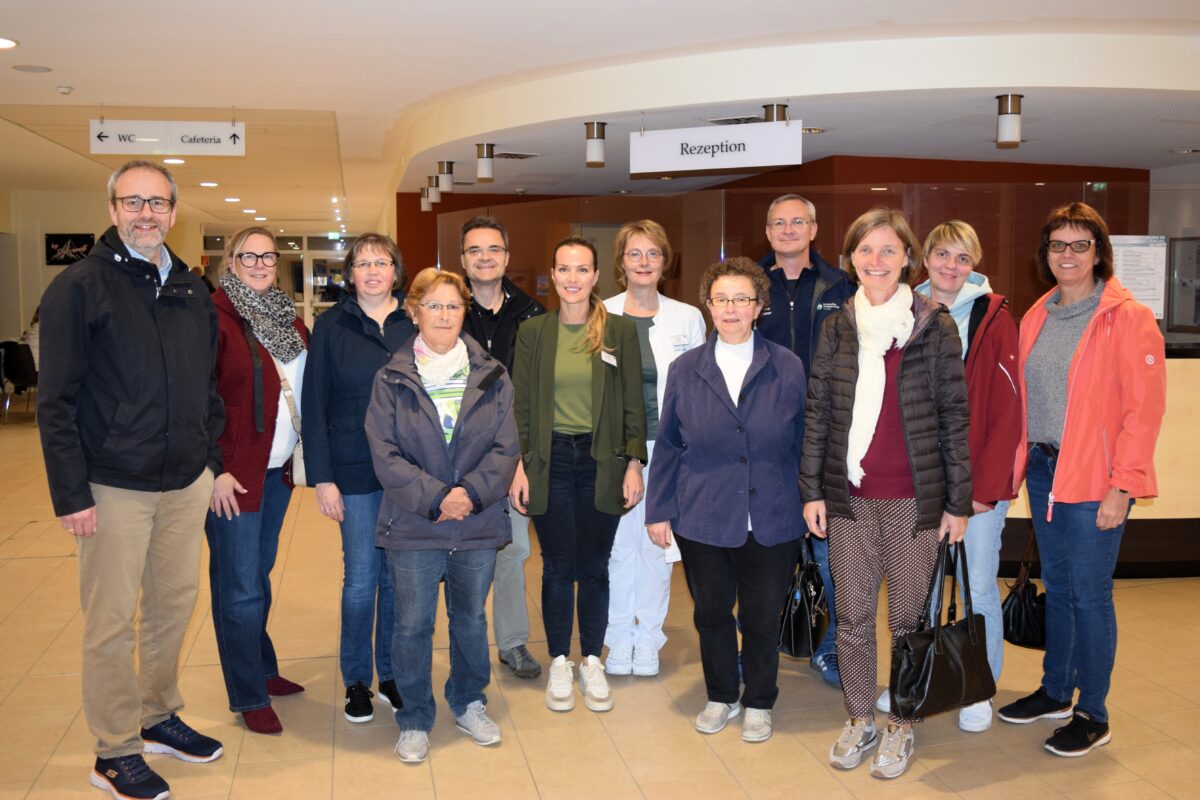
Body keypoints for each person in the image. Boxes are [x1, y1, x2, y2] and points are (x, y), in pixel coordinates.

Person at [38, 160, 225, 800]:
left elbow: (206, 387)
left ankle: (157, 715)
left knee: (172, 607)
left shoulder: (192, 290)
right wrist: (71, 493)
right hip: (113, 485)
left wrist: (210, 461)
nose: (147, 213)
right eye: (132, 201)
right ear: (113, 208)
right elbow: (54, 400)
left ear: (174, 211)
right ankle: (114, 750)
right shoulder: (79, 287)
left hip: (182, 481)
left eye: (158, 202)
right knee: (112, 621)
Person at [801, 207, 972, 780]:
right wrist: (812, 492)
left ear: (907, 260)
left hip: (915, 504)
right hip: (848, 498)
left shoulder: (934, 323)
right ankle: (858, 717)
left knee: (905, 623)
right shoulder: (837, 324)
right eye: (865, 251)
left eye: (888, 251)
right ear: (851, 259)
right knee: (850, 618)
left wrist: (957, 502)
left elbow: (954, 416)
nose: (876, 261)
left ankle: (901, 724)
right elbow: (819, 411)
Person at [998, 202, 1166, 757]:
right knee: (1062, 588)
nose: (1067, 255)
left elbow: (1144, 412)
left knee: (1090, 595)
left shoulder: (1127, 316)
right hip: (1047, 470)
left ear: (1099, 253)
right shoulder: (1038, 313)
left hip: (1097, 476)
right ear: (1045, 254)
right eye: (1057, 245)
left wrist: (1124, 485)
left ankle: (1093, 711)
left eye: (1079, 245)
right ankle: (1055, 692)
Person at [645, 257, 807, 744]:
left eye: (742, 299)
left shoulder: (787, 366)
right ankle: (721, 695)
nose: (731, 309)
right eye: (721, 299)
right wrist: (658, 511)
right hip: (704, 515)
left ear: (759, 306)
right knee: (711, 612)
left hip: (773, 513)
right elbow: (670, 442)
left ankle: (759, 699)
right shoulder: (686, 368)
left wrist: (813, 500)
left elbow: (805, 440)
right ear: (708, 306)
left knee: (761, 615)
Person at [364, 268, 519, 764]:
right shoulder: (391, 375)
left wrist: (470, 494)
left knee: (470, 619)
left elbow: (506, 446)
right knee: (411, 624)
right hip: (415, 521)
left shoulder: (492, 372)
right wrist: (438, 499)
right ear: (414, 312)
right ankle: (413, 717)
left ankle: (469, 700)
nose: (445, 315)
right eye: (434, 306)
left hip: (476, 520)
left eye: (454, 306)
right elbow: (384, 453)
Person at [874, 221, 1022, 732]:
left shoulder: (993, 316)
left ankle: (977, 686)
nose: (951, 267)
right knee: (919, 587)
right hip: (916, 480)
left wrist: (983, 490)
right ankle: (918, 675)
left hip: (976, 484)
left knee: (977, 582)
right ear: (925, 259)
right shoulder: (900, 308)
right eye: (942, 255)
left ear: (974, 264)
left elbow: (1006, 410)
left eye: (963, 258)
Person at [510, 235, 647, 714]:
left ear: (595, 276)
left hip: (601, 462)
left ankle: (592, 659)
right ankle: (559, 662)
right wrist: (520, 466)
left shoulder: (620, 332)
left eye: (582, 269)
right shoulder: (533, 333)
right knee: (557, 566)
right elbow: (521, 406)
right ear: (553, 274)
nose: (572, 278)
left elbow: (634, 403)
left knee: (594, 567)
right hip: (549, 461)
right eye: (564, 269)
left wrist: (634, 462)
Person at [301, 233, 416, 723]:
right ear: (350, 273)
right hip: (352, 470)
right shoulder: (331, 326)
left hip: (409, 473)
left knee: (397, 580)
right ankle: (356, 678)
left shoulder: (414, 323)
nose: (372, 271)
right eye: (363, 263)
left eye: (382, 262)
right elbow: (314, 404)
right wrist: (323, 479)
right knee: (362, 578)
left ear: (396, 270)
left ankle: (390, 672)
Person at [205, 226, 309, 735]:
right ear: (232, 260)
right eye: (250, 255)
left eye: (269, 255)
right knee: (239, 587)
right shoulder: (215, 318)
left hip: (278, 473)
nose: (262, 263)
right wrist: (215, 469)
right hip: (234, 479)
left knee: (257, 576)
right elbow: (195, 400)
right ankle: (248, 695)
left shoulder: (289, 320)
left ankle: (262, 669)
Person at [756, 193, 852, 688]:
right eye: (779, 223)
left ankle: (834, 647)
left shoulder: (843, 285)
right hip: (765, 439)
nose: (788, 229)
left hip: (829, 438)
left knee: (831, 553)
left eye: (798, 221)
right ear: (767, 231)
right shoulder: (748, 285)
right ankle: (761, 645)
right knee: (764, 552)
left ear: (814, 229)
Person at [602, 220, 705, 677]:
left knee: (658, 547)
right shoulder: (599, 314)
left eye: (653, 254)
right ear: (621, 262)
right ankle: (617, 638)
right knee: (620, 548)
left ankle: (649, 640)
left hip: (669, 447)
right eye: (634, 254)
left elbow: (701, 389)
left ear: (665, 262)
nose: (644, 263)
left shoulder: (687, 317)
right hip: (617, 448)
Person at [459, 215, 547, 680]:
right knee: (461, 555)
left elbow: (532, 394)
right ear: (463, 260)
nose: (485, 257)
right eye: (475, 250)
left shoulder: (532, 314)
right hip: (455, 459)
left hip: (511, 458)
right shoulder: (447, 309)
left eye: (493, 249)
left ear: (507, 257)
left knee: (513, 551)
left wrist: (519, 460)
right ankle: (466, 647)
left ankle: (512, 643)